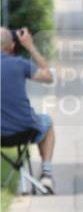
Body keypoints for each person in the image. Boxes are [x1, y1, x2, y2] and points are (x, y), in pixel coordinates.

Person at [1, 27, 56, 193]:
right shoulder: (19, 64)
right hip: (25, 130)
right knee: (47, 122)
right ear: (12, 46)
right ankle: (46, 175)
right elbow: (49, 77)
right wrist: (30, 47)